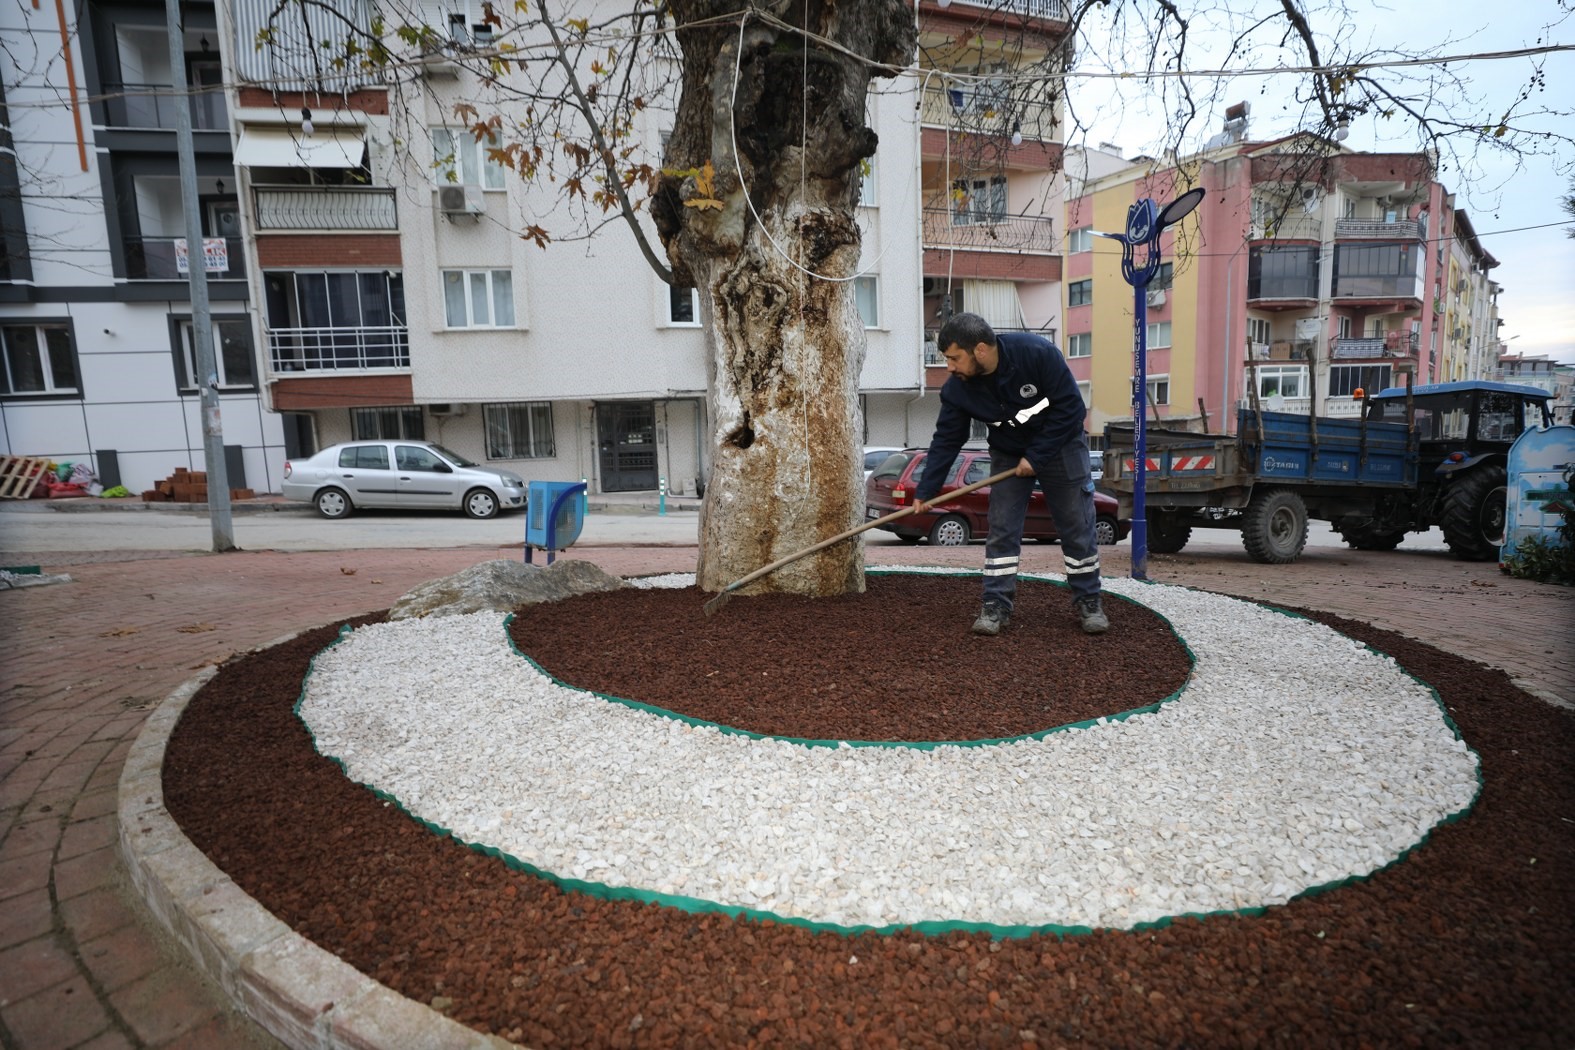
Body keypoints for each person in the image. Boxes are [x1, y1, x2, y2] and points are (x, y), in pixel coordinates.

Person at [911, 312, 1108, 636]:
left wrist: (1037, 455)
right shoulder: (957, 390)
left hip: (1061, 444)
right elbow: (947, 439)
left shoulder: (1036, 354)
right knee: (1002, 528)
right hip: (1008, 453)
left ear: (982, 350)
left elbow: (1071, 407)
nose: (949, 367)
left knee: (1076, 525)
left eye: (954, 358)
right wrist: (927, 491)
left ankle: (1089, 601)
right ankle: (995, 605)